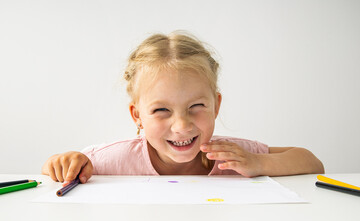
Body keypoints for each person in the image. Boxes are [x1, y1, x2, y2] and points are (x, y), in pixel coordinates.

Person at [42, 31, 324, 184]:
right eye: (161, 110)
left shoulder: (235, 156)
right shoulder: (111, 159)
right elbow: (50, 173)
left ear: (216, 105)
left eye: (197, 106)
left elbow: (311, 161)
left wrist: (259, 164)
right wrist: (62, 163)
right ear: (137, 115)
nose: (182, 126)